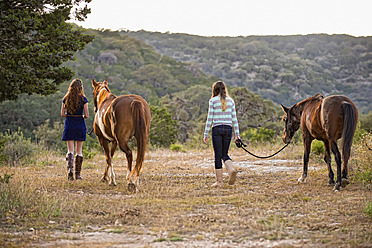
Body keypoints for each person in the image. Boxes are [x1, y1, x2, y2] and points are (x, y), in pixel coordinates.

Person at [203, 81, 240, 187]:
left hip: (217, 129)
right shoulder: (231, 101)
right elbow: (234, 119)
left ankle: (219, 182)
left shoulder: (213, 101)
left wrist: (206, 133)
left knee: (218, 156)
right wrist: (237, 134)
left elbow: (209, 118)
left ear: (215, 90)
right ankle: (231, 170)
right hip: (228, 129)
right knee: (225, 154)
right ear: (224, 89)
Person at [61, 78, 89, 180]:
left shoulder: (66, 98)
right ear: (80, 88)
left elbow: (62, 114)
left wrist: (70, 115)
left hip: (69, 125)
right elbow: (86, 115)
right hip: (79, 125)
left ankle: (70, 170)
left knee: (70, 150)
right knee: (79, 151)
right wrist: (80, 116)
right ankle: (77, 174)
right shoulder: (83, 99)